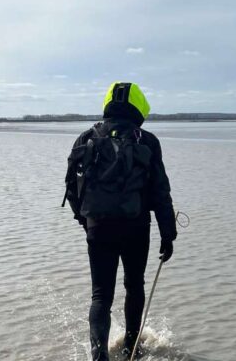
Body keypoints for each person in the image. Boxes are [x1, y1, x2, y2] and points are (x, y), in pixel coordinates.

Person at [63, 82, 177, 360]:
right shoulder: (147, 140)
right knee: (134, 285)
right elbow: (160, 190)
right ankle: (131, 349)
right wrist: (168, 234)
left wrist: (85, 220)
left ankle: (99, 355)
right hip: (136, 227)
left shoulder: (85, 137)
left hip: (98, 227)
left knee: (100, 295)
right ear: (138, 106)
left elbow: (71, 187)